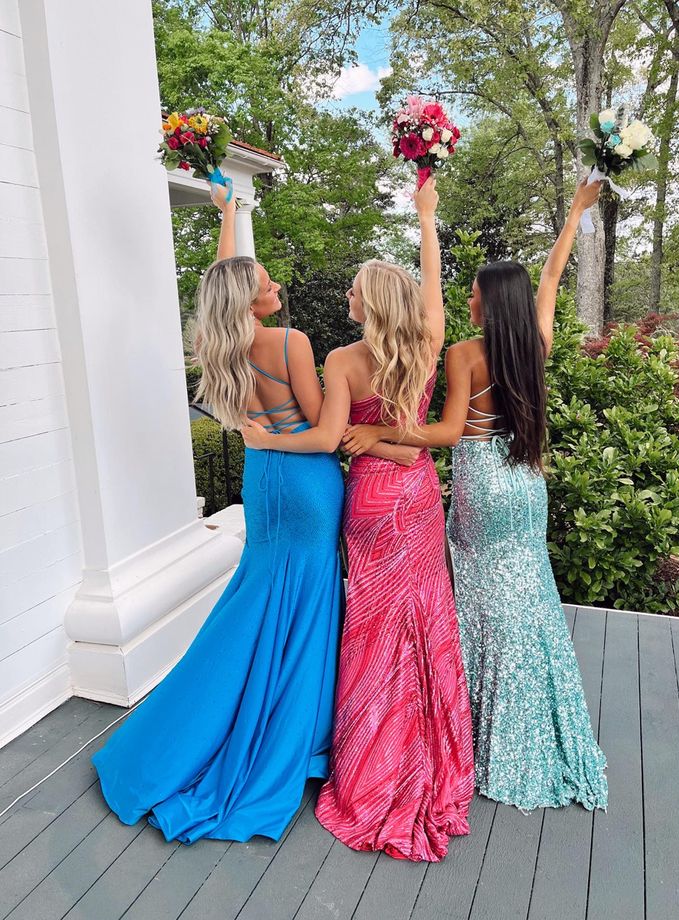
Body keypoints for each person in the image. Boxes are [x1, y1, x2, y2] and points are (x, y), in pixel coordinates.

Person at [91, 184, 418, 845]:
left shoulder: (219, 341)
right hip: (303, 473)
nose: (274, 284)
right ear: (253, 298)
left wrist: (230, 217)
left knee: (260, 594)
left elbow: (224, 283)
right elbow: (320, 426)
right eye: (265, 281)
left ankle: (191, 723)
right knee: (307, 602)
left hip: (263, 478)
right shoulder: (291, 342)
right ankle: (293, 738)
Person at [342, 179, 608, 812]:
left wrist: (379, 429)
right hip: (526, 482)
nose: (466, 298)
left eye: (472, 293)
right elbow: (549, 281)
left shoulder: (465, 353)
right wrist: (573, 213)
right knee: (530, 594)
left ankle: (488, 733)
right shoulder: (535, 345)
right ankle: (539, 717)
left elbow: (449, 431)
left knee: (483, 601)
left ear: (489, 303)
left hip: (483, 482)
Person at [242, 177, 475, 862]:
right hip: (417, 496)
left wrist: (267, 438)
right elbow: (431, 286)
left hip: (369, 500)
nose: (345, 298)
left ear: (368, 302)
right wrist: (427, 215)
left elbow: (331, 437)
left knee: (372, 629)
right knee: (425, 617)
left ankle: (374, 758)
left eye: (351, 290)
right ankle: (428, 750)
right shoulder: (428, 342)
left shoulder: (342, 360)